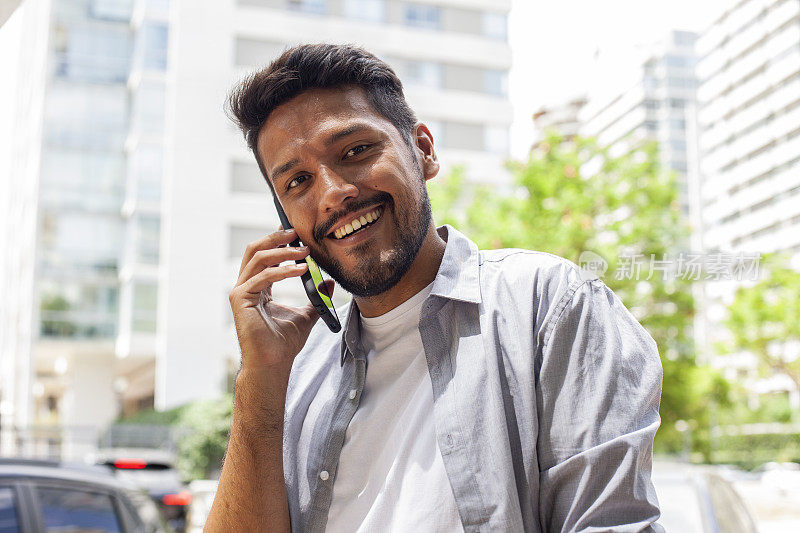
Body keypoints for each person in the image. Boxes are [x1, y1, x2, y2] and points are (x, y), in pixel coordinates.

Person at [205, 43, 663, 533]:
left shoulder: (549, 305)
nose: (333, 193)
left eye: (355, 151)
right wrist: (262, 375)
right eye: (297, 182)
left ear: (422, 150)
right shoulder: (295, 373)